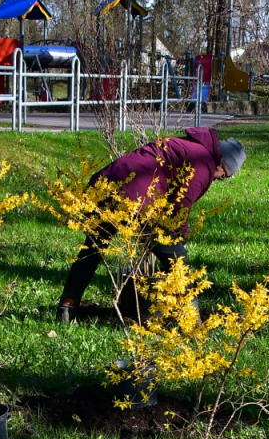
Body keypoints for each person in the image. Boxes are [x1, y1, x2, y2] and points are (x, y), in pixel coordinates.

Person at [56, 127, 246, 323]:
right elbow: (180, 205)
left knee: (91, 251)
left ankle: (67, 307)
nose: (219, 179)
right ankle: (192, 321)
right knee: (177, 260)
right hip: (137, 201)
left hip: (104, 187)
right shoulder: (203, 163)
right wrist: (180, 236)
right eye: (223, 176)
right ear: (222, 165)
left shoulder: (186, 145)